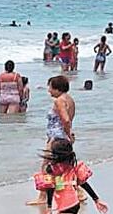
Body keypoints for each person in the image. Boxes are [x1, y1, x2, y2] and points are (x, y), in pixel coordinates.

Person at [27, 75, 76, 205]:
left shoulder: (59, 101)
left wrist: (66, 132)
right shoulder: (69, 99)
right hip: (64, 137)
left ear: (57, 88)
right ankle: (78, 192)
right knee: (66, 167)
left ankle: (42, 196)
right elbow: (69, 119)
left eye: (50, 87)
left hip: (56, 137)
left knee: (46, 167)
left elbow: (65, 119)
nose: (49, 90)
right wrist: (69, 135)